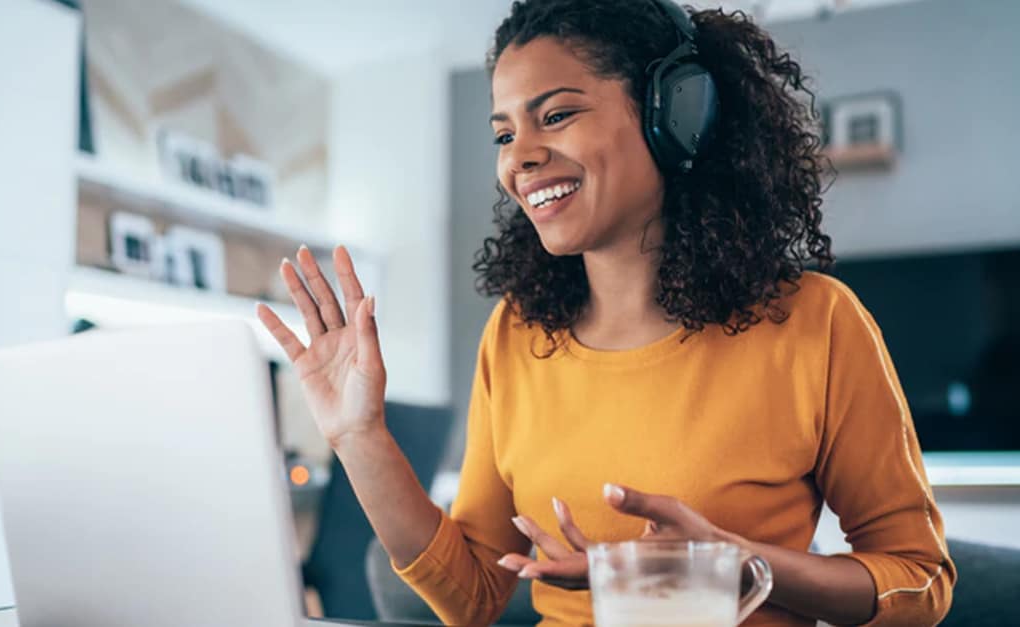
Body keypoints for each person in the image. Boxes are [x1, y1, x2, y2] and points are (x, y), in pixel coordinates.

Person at [256, 1, 956, 625]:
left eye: (556, 115)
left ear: (676, 114)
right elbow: (472, 596)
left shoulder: (817, 323)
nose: (520, 160)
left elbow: (920, 580)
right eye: (504, 134)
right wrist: (360, 435)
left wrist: (736, 562)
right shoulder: (518, 333)